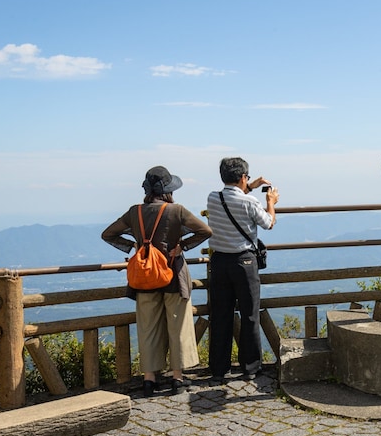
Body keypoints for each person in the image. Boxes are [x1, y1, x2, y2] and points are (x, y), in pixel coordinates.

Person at [102, 166, 212, 397]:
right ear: (168, 190)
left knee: (148, 327)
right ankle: (177, 378)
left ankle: (149, 379)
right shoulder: (176, 211)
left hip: (144, 279)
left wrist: (134, 246)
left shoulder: (135, 212)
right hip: (173, 276)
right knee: (177, 325)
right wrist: (182, 246)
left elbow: (108, 234)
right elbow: (205, 231)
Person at [205, 157, 278, 383]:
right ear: (243, 177)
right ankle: (251, 368)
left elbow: (234, 195)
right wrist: (271, 201)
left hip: (218, 263)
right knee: (249, 314)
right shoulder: (251, 202)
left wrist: (250, 186)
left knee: (220, 315)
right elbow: (269, 223)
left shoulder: (212, 198)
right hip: (244, 262)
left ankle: (219, 369)